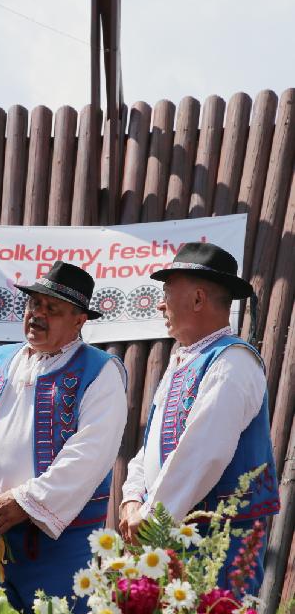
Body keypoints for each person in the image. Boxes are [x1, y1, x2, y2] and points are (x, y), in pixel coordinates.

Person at [0, 261, 128, 613]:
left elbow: (91, 452)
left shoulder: (100, 371)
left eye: (52, 309)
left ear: (79, 320)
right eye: (33, 305)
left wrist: (27, 501)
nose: (37, 315)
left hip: (60, 546)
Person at [119, 242, 280, 594]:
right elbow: (150, 446)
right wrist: (132, 497)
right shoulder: (186, 360)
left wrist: (149, 520)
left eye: (166, 292)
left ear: (197, 299)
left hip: (217, 546)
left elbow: (203, 453)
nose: (160, 303)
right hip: (169, 532)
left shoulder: (232, 362)